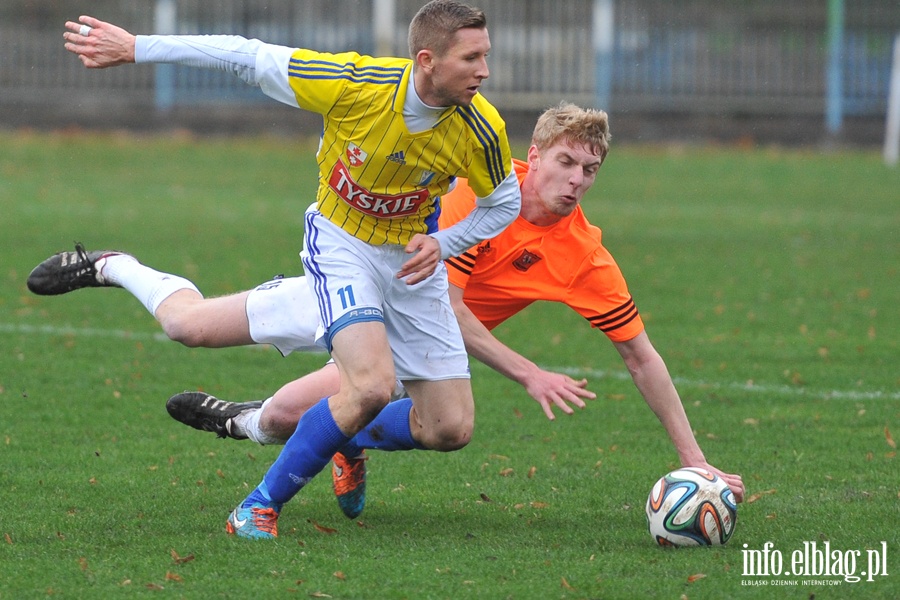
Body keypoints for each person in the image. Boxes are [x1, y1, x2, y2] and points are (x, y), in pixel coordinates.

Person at [29, 103, 745, 538]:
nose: (577, 180)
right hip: (351, 290)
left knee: (301, 421)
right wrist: (528, 372)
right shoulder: (479, 197)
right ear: (535, 156)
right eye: (566, 162)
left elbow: (641, 358)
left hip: (403, 347)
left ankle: (266, 432)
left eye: (591, 170)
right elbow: (453, 308)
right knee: (188, 328)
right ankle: (115, 264)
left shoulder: (586, 256)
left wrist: (693, 459)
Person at [60, 1, 523, 539]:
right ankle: (256, 509)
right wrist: (138, 47)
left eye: (486, 56)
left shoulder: (481, 127)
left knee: (449, 427)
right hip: (342, 246)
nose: (485, 71)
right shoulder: (354, 86)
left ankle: (344, 435)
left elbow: (503, 203)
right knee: (371, 385)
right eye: (472, 58)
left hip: (409, 268)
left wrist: (443, 243)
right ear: (427, 60)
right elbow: (246, 55)